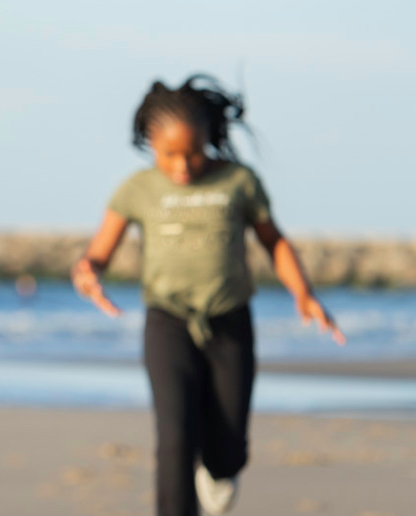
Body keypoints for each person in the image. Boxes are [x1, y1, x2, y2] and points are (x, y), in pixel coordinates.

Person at [71, 75, 344, 516]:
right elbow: (98, 252)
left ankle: (219, 472)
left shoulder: (239, 181)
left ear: (210, 139)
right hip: (168, 322)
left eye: (193, 152)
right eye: (169, 154)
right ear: (149, 143)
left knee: (228, 445)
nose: (182, 166)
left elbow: (274, 240)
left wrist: (304, 292)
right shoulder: (138, 189)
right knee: (175, 437)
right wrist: (87, 272)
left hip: (230, 323)